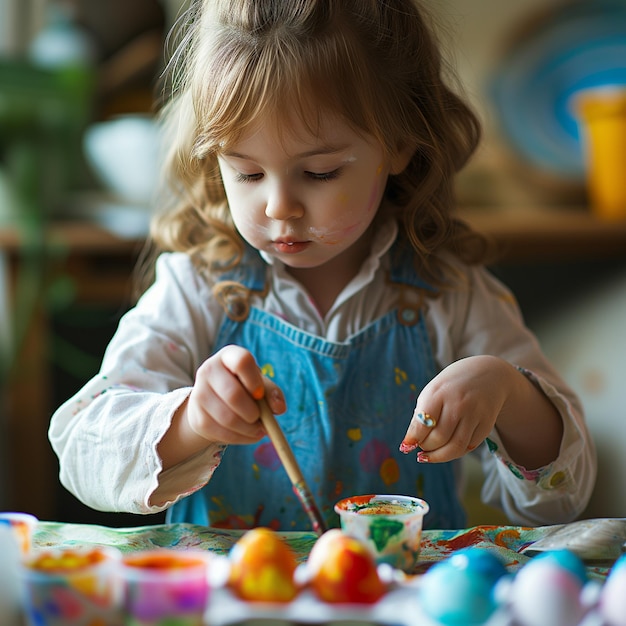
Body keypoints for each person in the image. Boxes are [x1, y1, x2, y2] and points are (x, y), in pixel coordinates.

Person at [49, 0, 596, 531]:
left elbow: (562, 499)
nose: (278, 206)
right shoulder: (196, 291)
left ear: (400, 142)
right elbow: (80, 452)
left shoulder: (450, 296)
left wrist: (508, 392)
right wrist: (192, 421)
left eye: (321, 173)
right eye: (247, 173)